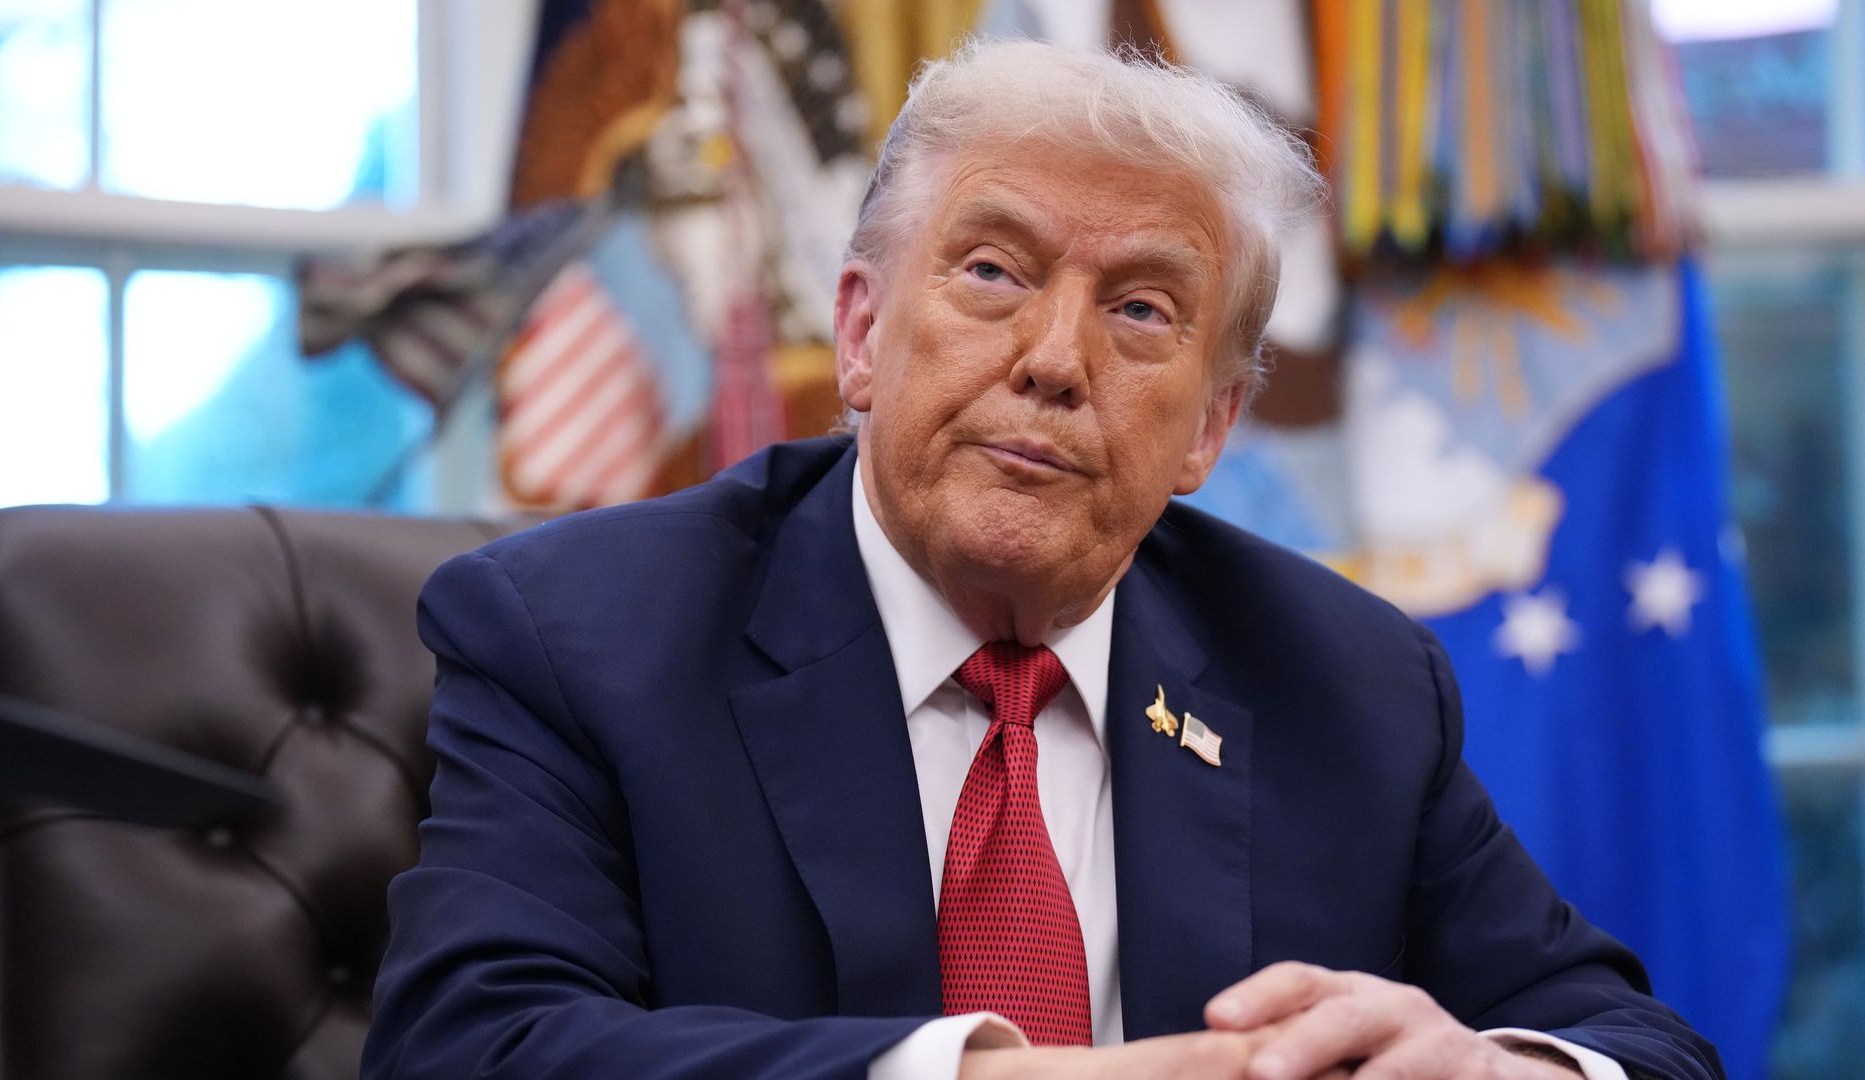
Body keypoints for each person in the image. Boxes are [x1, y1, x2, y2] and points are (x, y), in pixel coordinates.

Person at [363, 40, 1721, 1080]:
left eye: (1142, 310)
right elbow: (467, 1046)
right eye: (994, 273)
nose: (1056, 362)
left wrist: (1493, 1071)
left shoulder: (1349, 683)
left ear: (1210, 427)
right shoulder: (579, 637)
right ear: (860, 335)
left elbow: (1639, 1046)